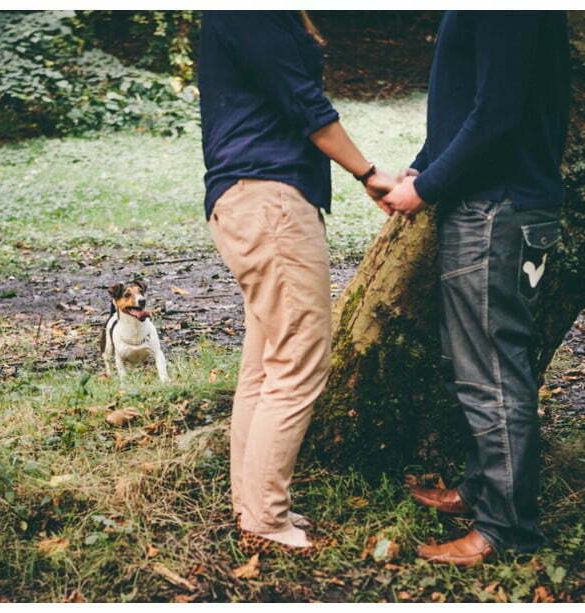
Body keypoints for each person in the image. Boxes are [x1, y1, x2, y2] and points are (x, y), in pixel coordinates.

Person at [198, 10, 396, 555]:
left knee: (266, 365)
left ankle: (254, 503)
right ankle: (264, 518)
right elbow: (303, 102)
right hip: (269, 199)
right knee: (300, 360)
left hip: (256, 196)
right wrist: (368, 173)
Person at [381, 10, 570, 565]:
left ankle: (506, 531)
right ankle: (482, 490)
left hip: (497, 208)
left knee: (490, 371)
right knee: (473, 364)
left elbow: (497, 113)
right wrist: (422, 169)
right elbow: (466, 104)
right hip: (488, 202)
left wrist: (430, 185)